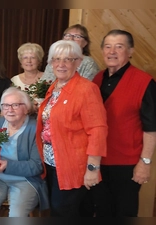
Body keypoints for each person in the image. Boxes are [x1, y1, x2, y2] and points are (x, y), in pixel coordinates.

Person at [36, 40, 108, 217]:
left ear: (78, 62)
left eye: (68, 59)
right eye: (56, 59)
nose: (61, 64)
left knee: (61, 211)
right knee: (69, 210)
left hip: (73, 165)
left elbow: (98, 129)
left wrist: (92, 168)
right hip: (51, 162)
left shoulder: (86, 89)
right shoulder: (55, 87)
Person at [91, 29, 156, 217]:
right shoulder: (97, 79)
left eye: (119, 47)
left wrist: (145, 163)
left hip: (127, 164)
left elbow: (151, 129)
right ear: (102, 50)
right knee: (102, 211)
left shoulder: (144, 82)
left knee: (124, 213)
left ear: (130, 51)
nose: (112, 51)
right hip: (98, 161)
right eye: (108, 46)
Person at [0, 87, 49, 217]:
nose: (10, 110)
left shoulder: (34, 128)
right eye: (6, 105)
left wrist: (7, 165)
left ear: (26, 108)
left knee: (16, 216)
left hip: (25, 180)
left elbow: (36, 166)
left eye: (15, 105)